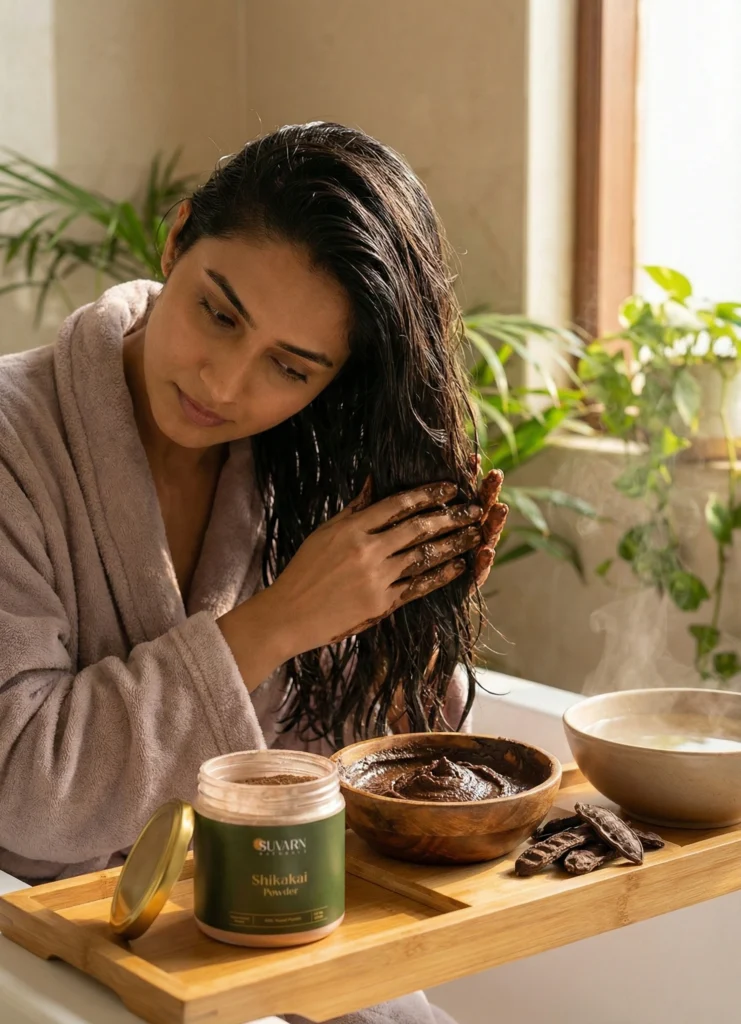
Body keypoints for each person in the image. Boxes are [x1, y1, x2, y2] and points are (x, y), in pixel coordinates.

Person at [0, 122, 507, 1023]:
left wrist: (402, 623)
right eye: (218, 313)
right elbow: (24, 792)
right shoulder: (14, 445)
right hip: (53, 943)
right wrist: (275, 622)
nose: (226, 384)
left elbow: (323, 765)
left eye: (289, 366)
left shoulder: (297, 470)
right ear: (177, 238)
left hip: (267, 908)